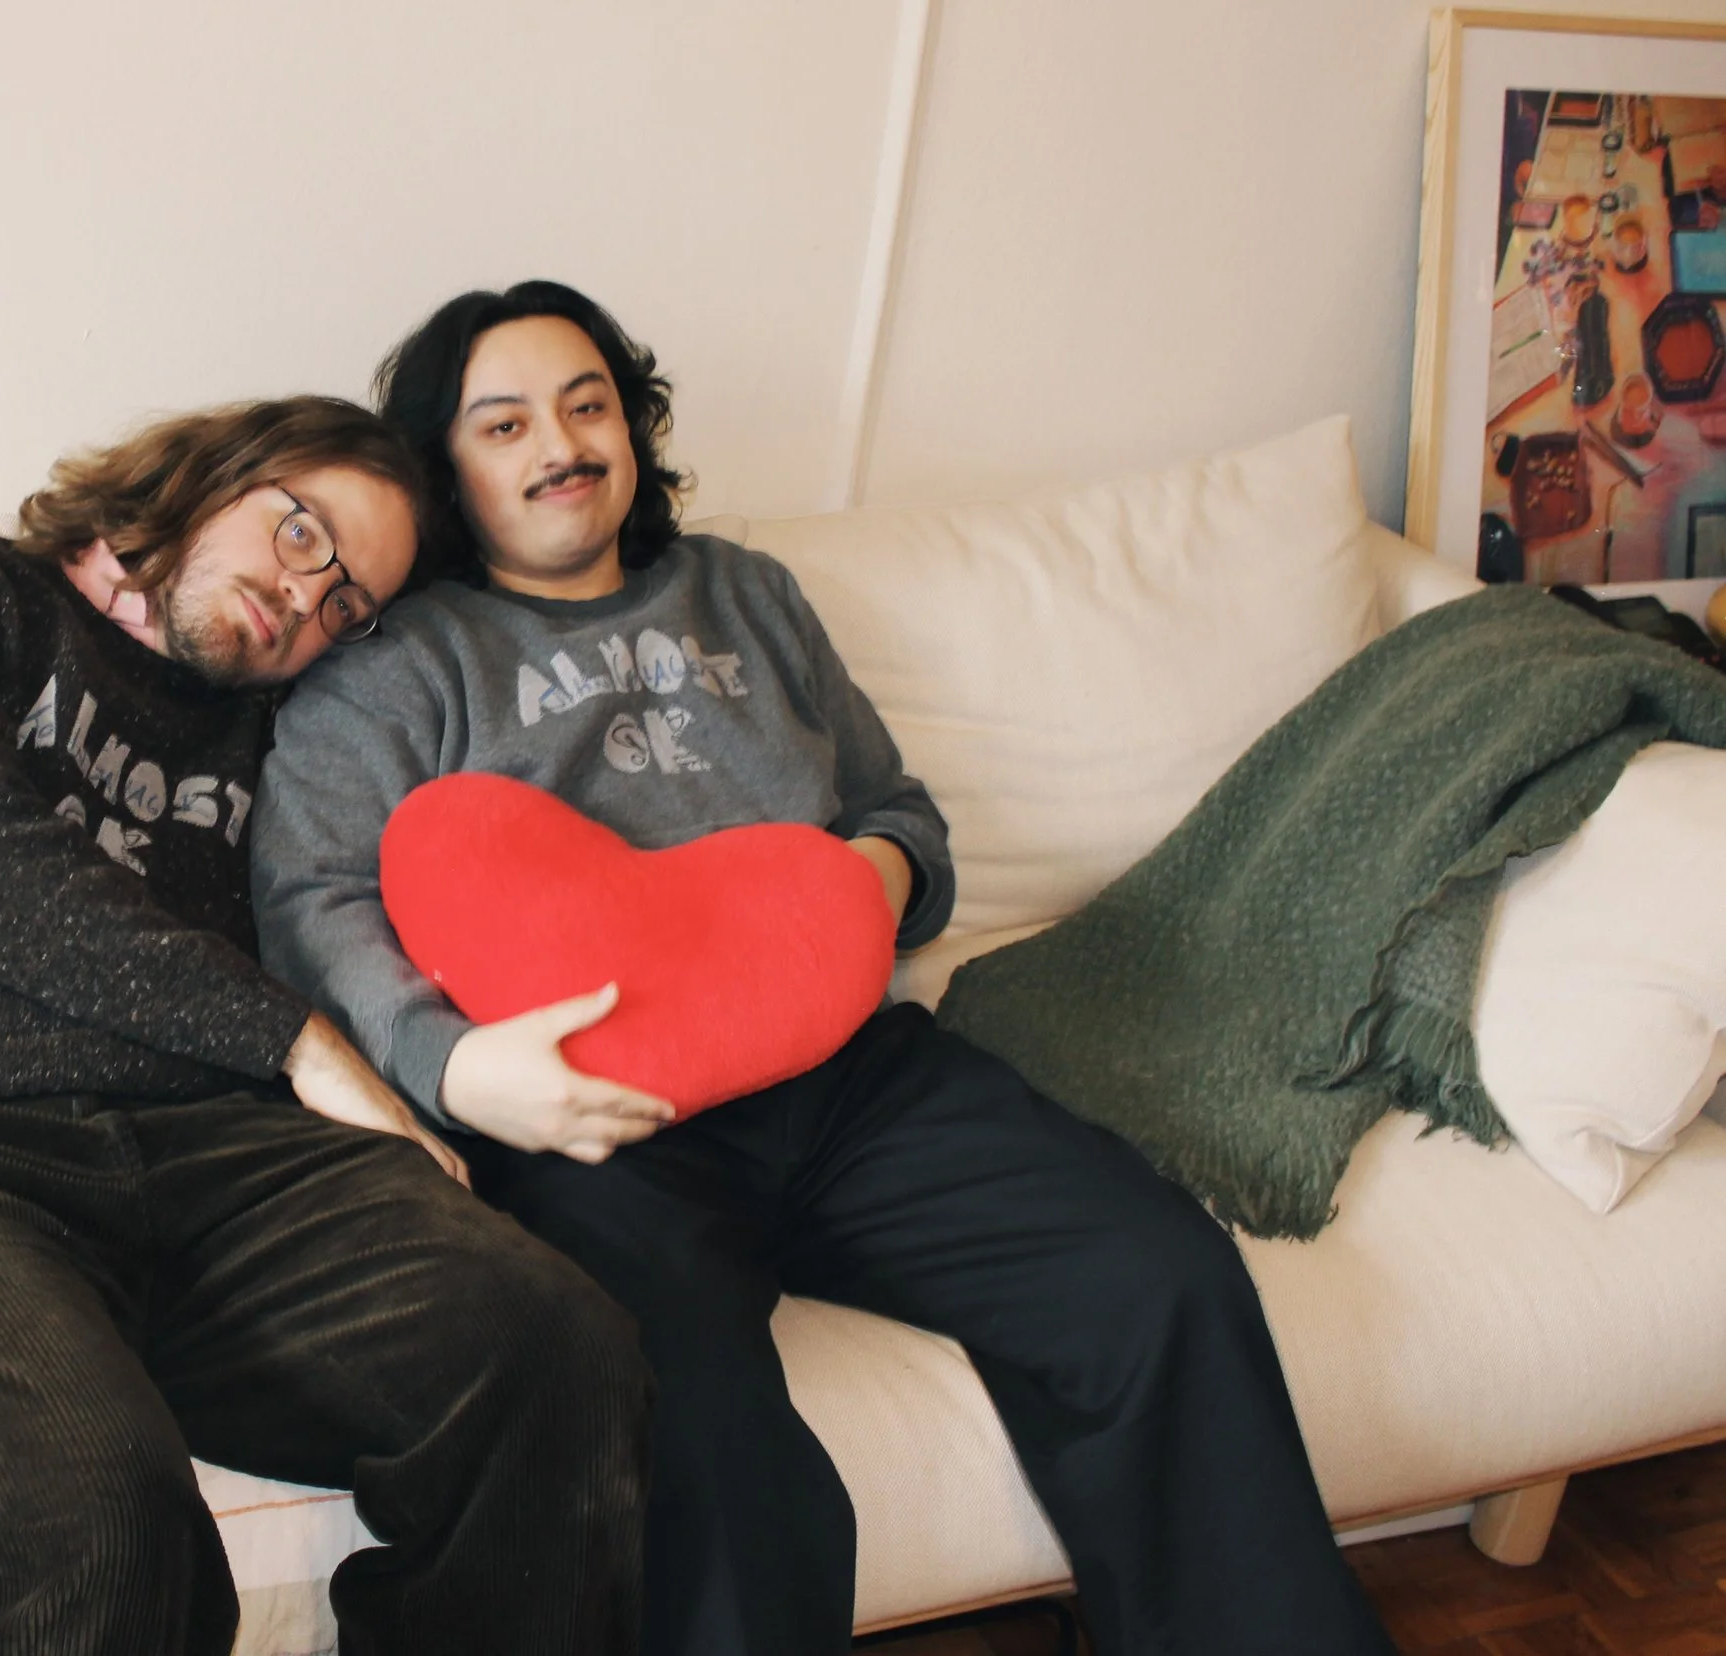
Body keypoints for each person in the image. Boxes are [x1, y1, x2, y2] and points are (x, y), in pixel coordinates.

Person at [251, 286, 1400, 1656]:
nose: (559, 444)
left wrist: (870, 885)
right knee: (699, 1431)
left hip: (850, 1073)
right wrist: (457, 1069)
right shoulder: (393, 661)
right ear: (448, 469)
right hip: (593, 1124)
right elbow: (304, 905)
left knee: (1162, 1281)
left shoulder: (746, 594)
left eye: (587, 405)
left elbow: (897, 812)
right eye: (505, 425)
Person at [0, 395, 651, 1656]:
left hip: (212, 1154)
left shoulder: (287, 732)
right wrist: (294, 1043)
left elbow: (385, 890)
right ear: (214, 471)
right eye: (300, 533)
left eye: (347, 604)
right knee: (94, 1521)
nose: (306, 602)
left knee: (556, 1353)